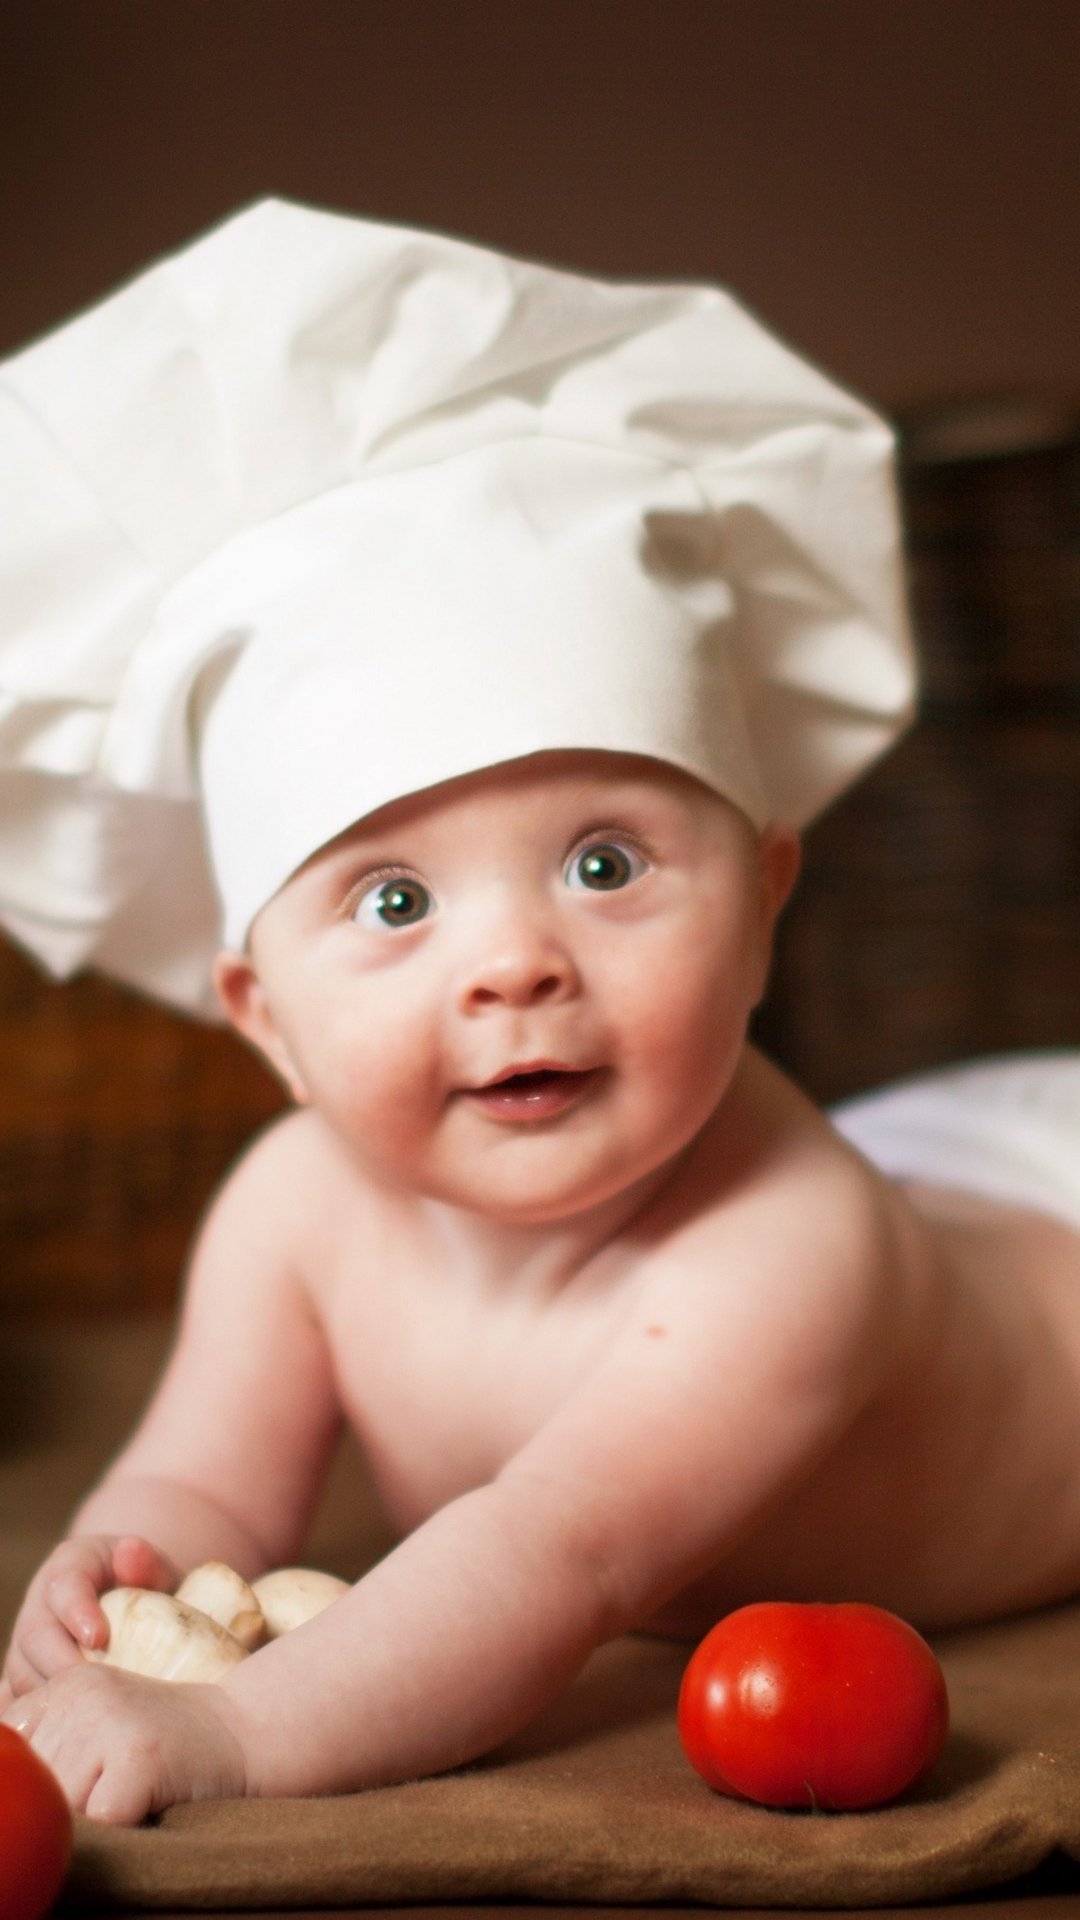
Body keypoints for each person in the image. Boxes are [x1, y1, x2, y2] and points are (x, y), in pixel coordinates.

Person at [2, 199, 1079, 1827]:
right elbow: (204, 1479)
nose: (514, 965)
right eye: (393, 902)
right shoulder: (292, 1213)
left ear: (767, 901)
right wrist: (114, 1578)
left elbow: (555, 1553)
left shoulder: (788, 1245)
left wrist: (237, 1739)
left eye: (603, 863)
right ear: (263, 1015)